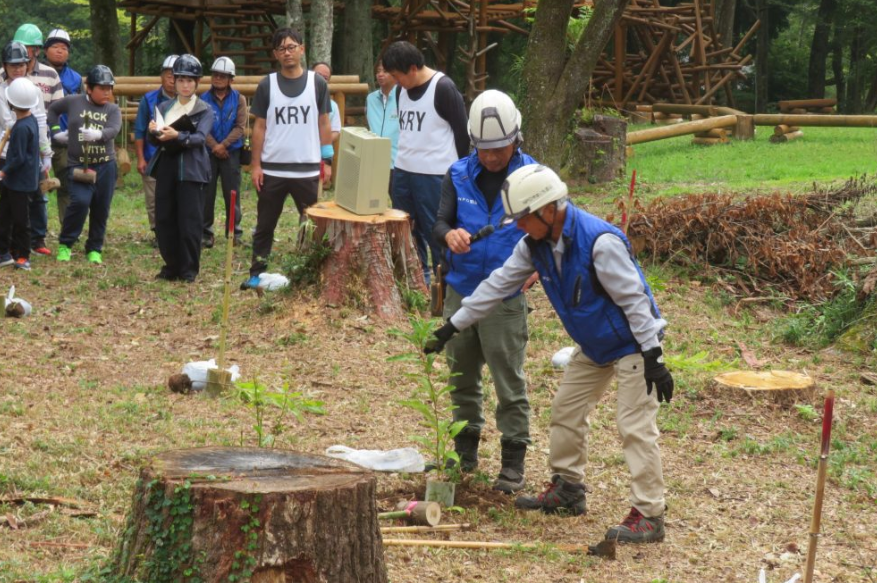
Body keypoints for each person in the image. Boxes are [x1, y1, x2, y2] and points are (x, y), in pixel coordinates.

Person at [425, 164, 674, 544]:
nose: (520, 226)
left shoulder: (599, 243)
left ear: (548, 209)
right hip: (595, 345)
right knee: (566, 411)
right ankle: (568, 489)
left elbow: (637, 302)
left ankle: (650, 514)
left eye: (524, 218)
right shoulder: (533, 246)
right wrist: (452, 326)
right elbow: (496, 286)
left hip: (633, 344)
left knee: (634, 426)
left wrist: (653, 357)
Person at [431, 90, 537, 494]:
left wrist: (537, 270)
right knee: (461, 375)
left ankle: (513, 462)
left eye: (500, 148)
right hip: (462, 289)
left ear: (516, 138)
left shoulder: (533, 178)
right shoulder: (457, 174)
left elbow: (556, 231)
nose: (492, 157)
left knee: (508, 378)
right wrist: (449, 235)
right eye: (484, 149)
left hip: (506, 295)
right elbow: (438, 223)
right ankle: (464, 452)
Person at [241, 27, 332, 290]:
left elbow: (323, 121)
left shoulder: (317, 83)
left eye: (292, 47)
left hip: (307, 169)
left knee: (311, 226)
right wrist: (256, 165)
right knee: (265, 224)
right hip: (273, 169)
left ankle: (311, 272)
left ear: (302, 49)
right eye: (281, 49)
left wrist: (326, 161)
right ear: (275, 54)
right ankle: (257, 271)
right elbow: (259, 127)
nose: (287, 52)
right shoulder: (267, 84)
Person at [381, 40, 468, 284]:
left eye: (398, 76)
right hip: (403, 172)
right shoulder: (400, 91)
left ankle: (446, 287)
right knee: (406, 230)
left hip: (435, 176)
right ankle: (417, 283)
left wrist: (462, 175)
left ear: (412, 69)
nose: (396, 83)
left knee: (436, 232)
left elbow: (462, 134)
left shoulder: (443, 88)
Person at [147, 54, 214, 283]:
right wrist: (153, 131)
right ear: (173, 81)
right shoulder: (164, 106)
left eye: (190, 80)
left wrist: (178, 135)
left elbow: (200, 138)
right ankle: (171, 265)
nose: (185, 85)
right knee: (165, 218)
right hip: (167, 166)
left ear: (197, 83)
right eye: (181, 80)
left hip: (192, 170)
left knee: (190, 221)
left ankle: (189, 270)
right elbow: (156, 141)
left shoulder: (205, 109)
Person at [48, 65, 121, 265]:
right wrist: (56, 132)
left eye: (109, 88)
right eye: (102, 88)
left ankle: (95, 248)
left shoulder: (112, 109)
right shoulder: (74, 102)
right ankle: (66, 243)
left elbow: (114, 129)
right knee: (79, 202)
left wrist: (100, 134)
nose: (107, 92)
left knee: (101, 207)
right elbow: (53, 110)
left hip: (105, 166)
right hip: (78, 164)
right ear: (89, 88)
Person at [2, 26, 58, 256]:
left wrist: (46, 153)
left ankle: (30, 243)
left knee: (31, 201)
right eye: (13, 65)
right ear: (5, 66)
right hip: (5, 155)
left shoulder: (31, 89)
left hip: (28, 156)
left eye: (21, 65)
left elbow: (41, 120)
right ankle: (6, 248)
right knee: (5, 205)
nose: (18, 69)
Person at [200, 56, 246, 249]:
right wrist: (214, 146)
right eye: (215, 74)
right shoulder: (202, 99)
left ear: (231, 79)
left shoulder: (239, 99)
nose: (217, 78)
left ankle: (233, 232)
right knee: (206, 194)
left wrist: (224, 145)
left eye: (222, 75)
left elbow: (240, 126)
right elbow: (201, 127)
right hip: (208, 153)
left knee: (232, 193)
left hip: (231, 154)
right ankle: (205, 233)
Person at [134, 55, 178, 245]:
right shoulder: (149, 99)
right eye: (168, 75)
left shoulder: (187, 100)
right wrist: (140, 158)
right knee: (153, 198)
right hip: (152, 156)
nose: (172, 80)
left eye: (176, 76)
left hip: (177, 156)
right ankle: (158, 232)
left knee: (176, 195)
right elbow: (139, 129)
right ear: (161, 76)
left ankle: (176, 230)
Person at [0, 78, 42, 271]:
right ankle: (5, 252)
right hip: (17, 181)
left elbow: (17, 158)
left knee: (20, 220)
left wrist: (3, 170)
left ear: (11, 103)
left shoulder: (22, 127)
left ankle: (23, 256)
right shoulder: (28, 121)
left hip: (20, 183)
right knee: (5, 215)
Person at [43, 28, 82, 228]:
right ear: (46, 50)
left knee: (67, 186)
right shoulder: (37, 73)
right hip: (41, 139)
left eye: (64, 48)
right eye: (55, 47)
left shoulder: (75, 78)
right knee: (37, 188)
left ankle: (67, 232)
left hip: (66, 140)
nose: (60, 51)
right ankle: (34, 234)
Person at [365, 59, 399, 192]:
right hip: (375, 160)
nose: (380, 74)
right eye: (378, 71)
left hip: (397, 161)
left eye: (385, 71)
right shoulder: (371, 99)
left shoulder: (403, 96)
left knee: (398, 203)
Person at [311, 62, 341, 187]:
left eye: (325, 78)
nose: (320, 80)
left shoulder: (332, 105)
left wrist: (321, 141)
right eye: (318, 75)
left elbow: (336, 132)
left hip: (319, 153)